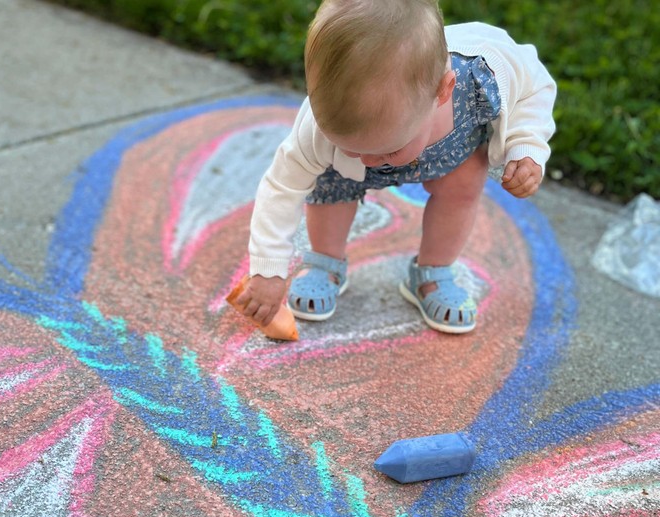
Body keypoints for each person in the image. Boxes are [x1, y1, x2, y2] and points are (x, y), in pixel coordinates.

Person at [235, 0, 556, 334]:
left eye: (388, 148)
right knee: (330, 186)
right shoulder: (319, 127)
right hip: (347, 173)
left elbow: (534, 87)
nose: (370, 160)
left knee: (461, 189)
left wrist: (526, 144)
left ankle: (433, 272)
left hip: (452, 151)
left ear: (442, 91)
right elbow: (282, 187)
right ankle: (325, 262)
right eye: (351, 146)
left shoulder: (485, 70)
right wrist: (268, 270)